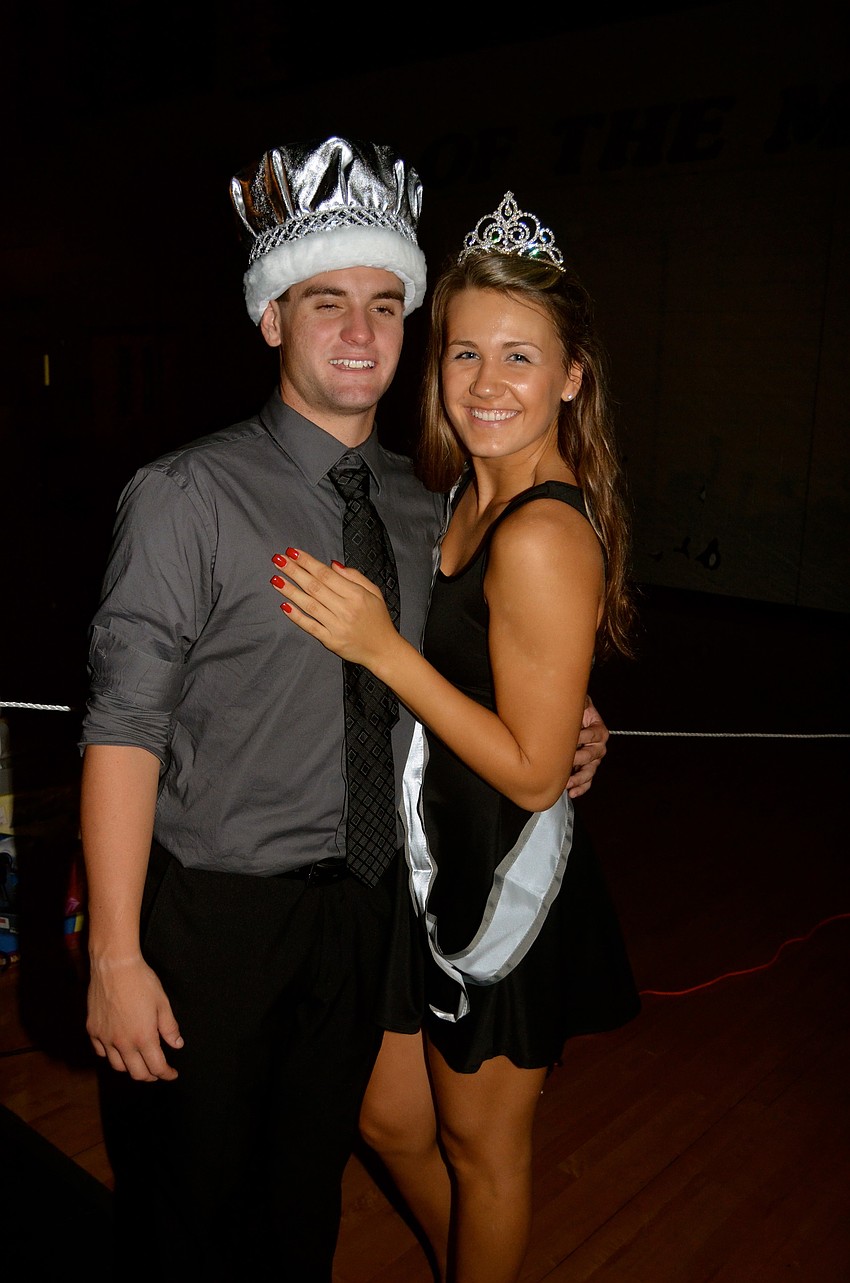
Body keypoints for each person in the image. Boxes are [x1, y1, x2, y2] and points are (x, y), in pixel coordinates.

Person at [78, 139, 610, 1282]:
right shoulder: (187, 494)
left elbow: (483, 664)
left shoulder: (432, 504)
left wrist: (570, 719)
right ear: (272, 318)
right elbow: (121, 724)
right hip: (219, 916)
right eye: (328, 304)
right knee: (187, 1204)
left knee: (300, 1206)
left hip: (373, 915)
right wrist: (115, 949)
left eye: (385, 304)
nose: (361, 333)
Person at [269, 190, 641, 1283]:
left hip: (493, 874)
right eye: (465, 352)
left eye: (519, 358)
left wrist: (386, 650)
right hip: (419, 853)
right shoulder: (457, 500)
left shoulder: (539, 533)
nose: (486, 384)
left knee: (486, 1150)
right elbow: (523, 691)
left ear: (572, 374)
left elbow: (531, 771)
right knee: (387, 1117)